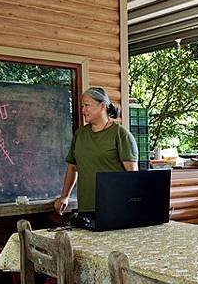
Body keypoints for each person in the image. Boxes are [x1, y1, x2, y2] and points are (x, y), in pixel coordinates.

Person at [54, 87, 139, 216]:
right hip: (86, 207)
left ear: (102, 106)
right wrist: (64, 196)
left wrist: (132, 208)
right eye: (82, 106)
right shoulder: (80, 134)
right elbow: (72, 167)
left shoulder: (120, 134)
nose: (83, 110)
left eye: (87, 105)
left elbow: (133, 176)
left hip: (115, 208)